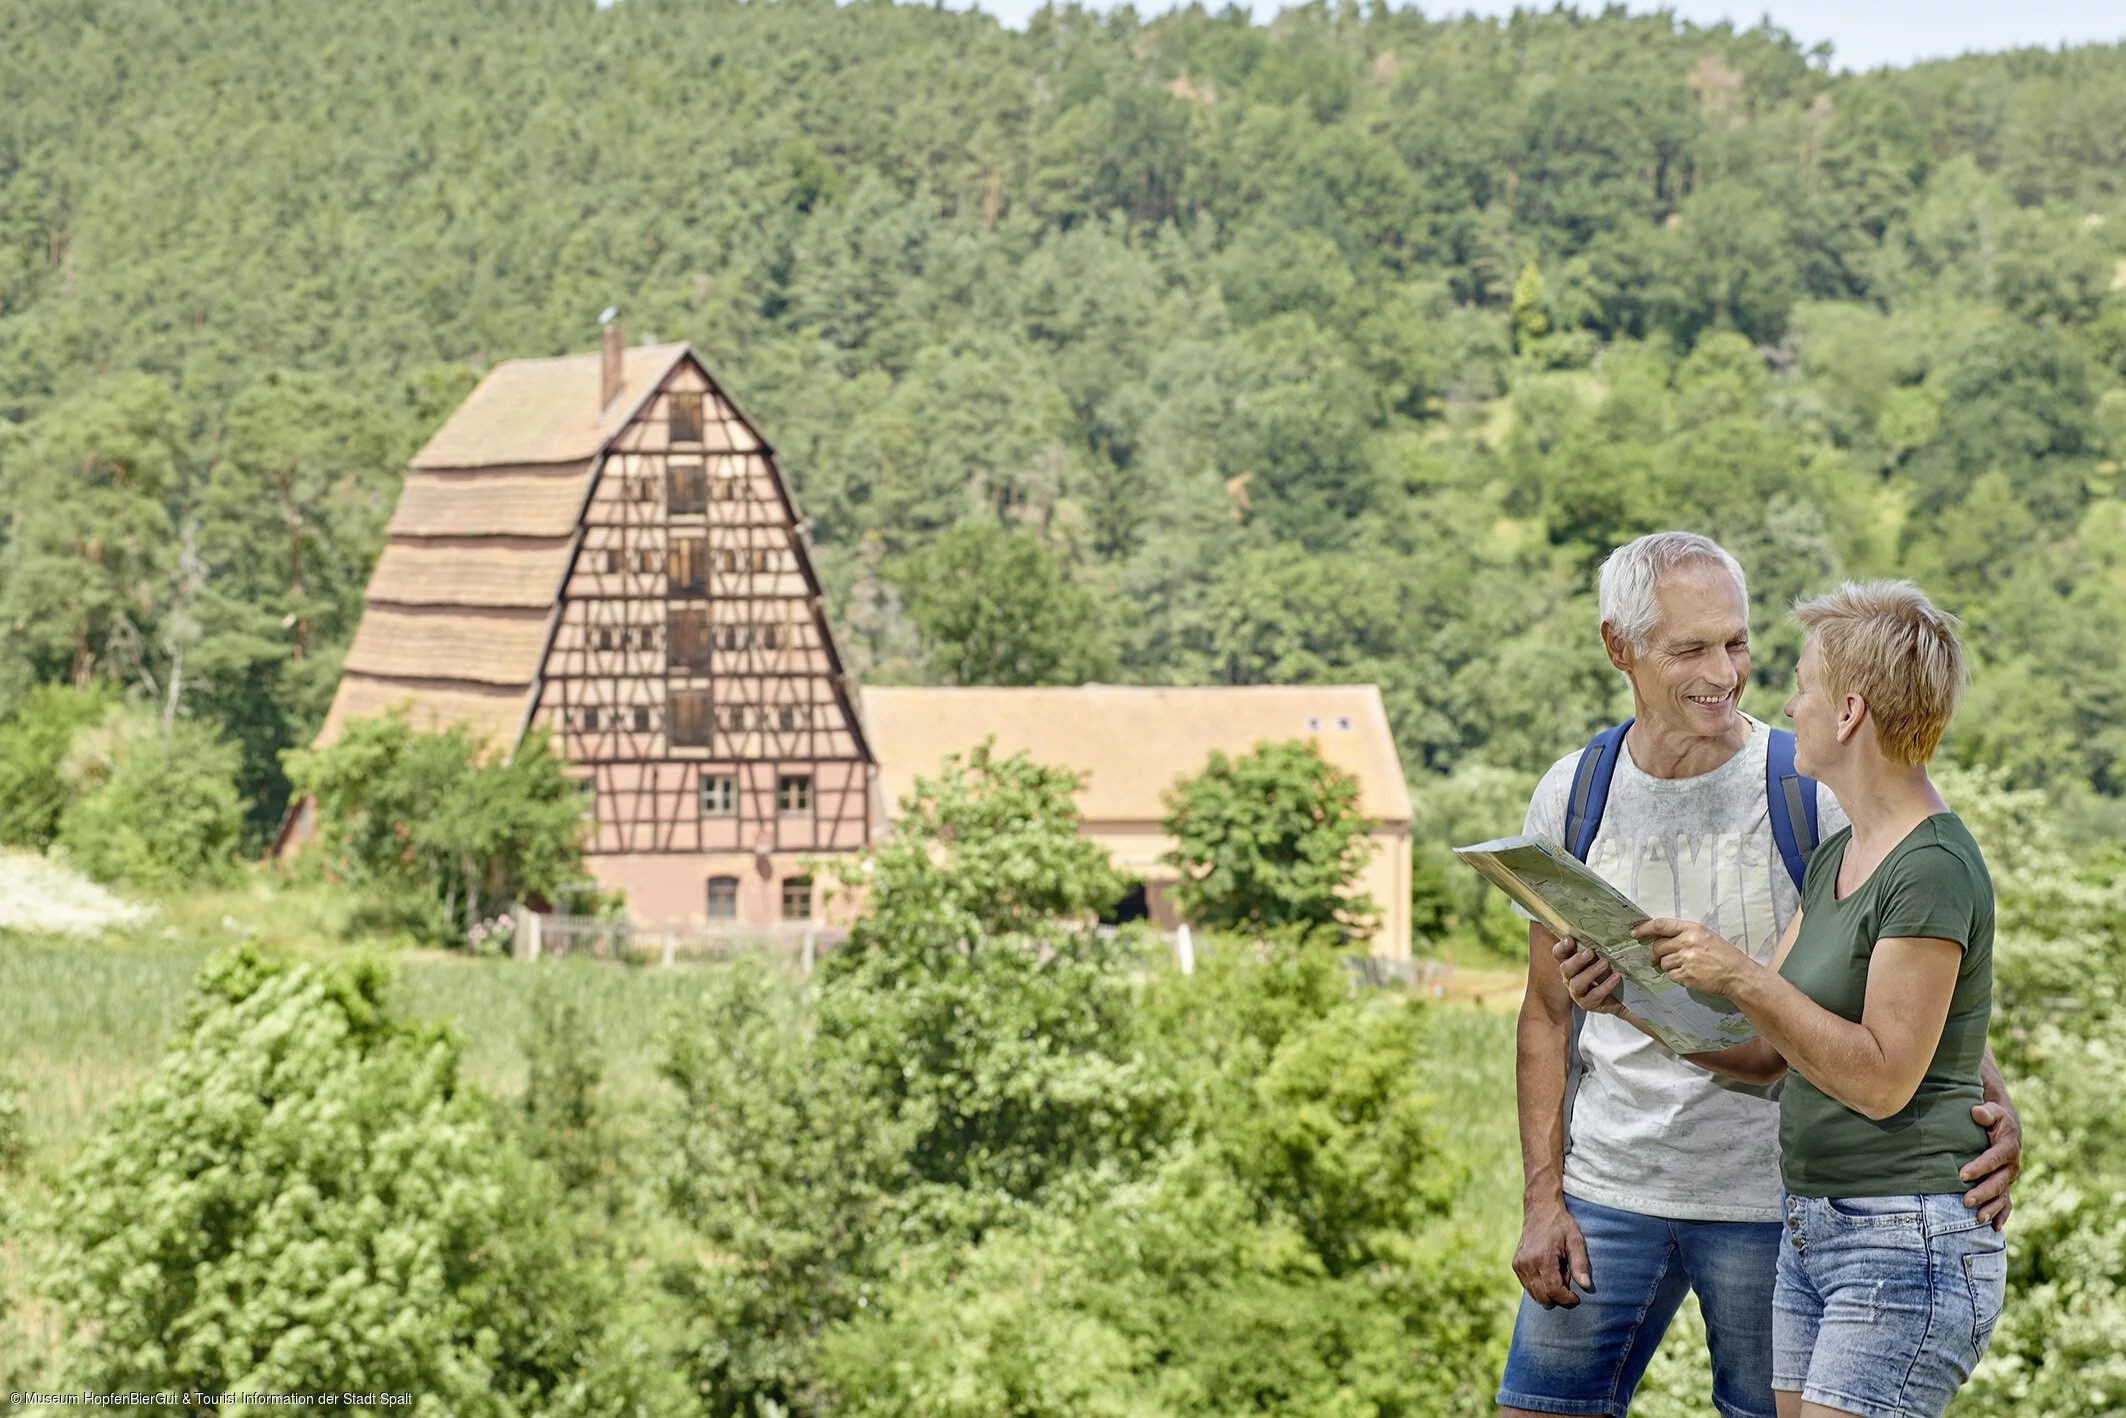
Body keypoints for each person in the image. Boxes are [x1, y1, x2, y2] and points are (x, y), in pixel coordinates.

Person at [1498, 534, 2020, 1418]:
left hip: (1780, 1205)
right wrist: (1544, 1194)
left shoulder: (1815, 794)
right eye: (1692, 647)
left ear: (1847, 711)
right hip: (1615, 1188)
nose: (1732, 673)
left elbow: (1910, 986)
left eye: (1738, 644)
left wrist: (1991, 1111)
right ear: (1618, 647)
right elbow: (1558, 1018)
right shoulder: (1574, 794)